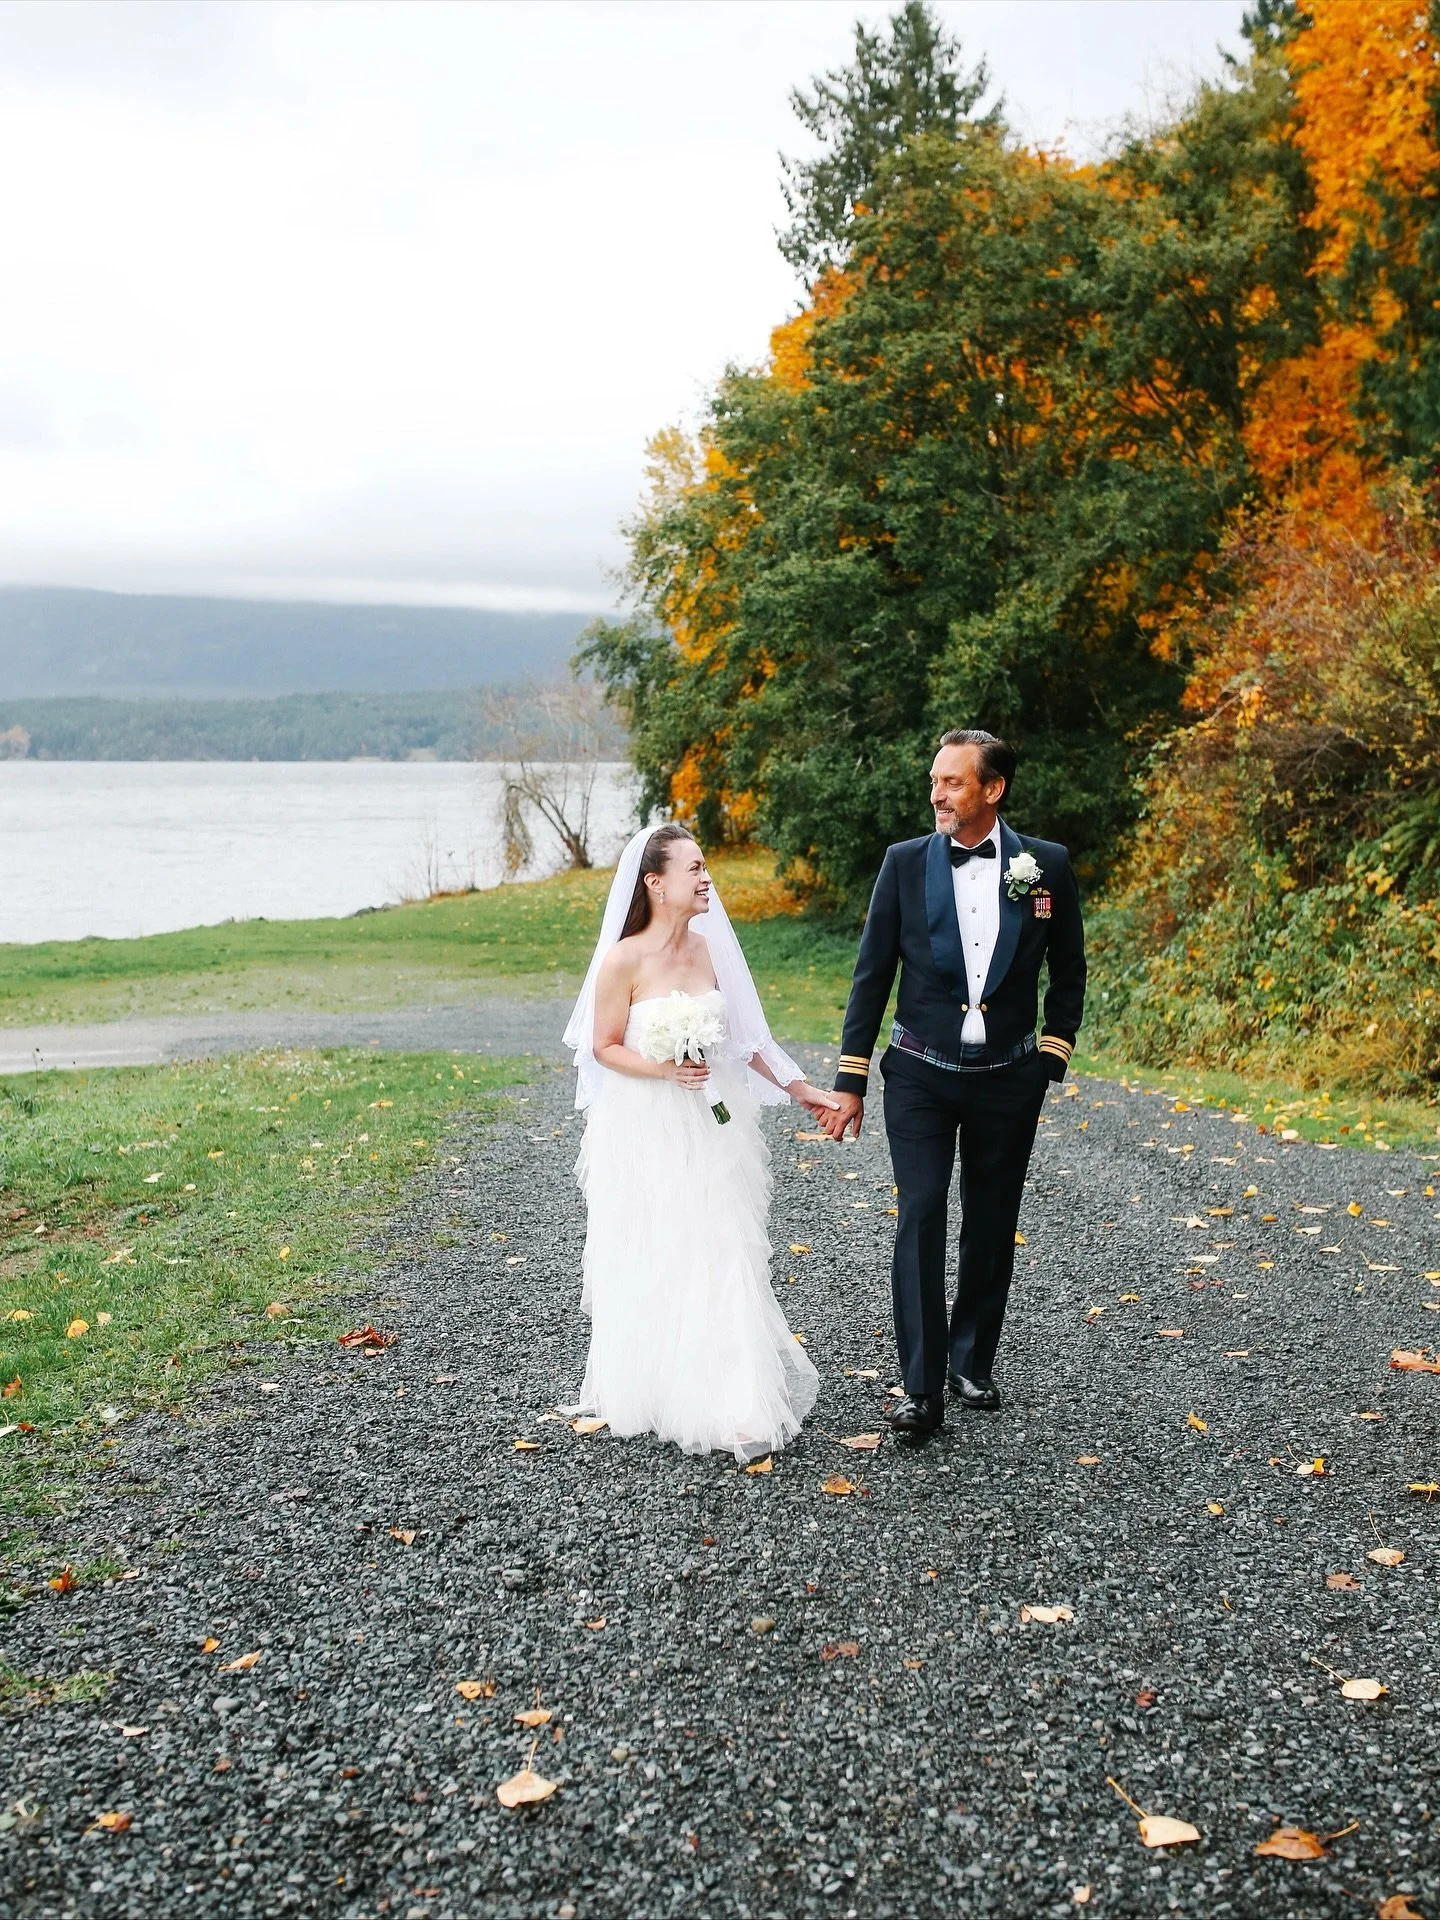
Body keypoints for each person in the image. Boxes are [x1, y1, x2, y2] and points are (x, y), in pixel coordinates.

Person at [818, 730, 1086, 1437]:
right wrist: (851, 1078)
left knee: (992, 1223)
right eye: (935, 781)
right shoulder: (903, 864)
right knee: (923, 1211)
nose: (937, 794)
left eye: (953, 783)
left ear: (992, 790)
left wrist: (1049, 1060)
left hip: (1008, 1079)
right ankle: (920, 1387)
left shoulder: (1042, 865)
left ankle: (971, 1359)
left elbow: (1070, 967)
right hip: (919, 1075)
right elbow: (871, 974)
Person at [563, 822, 838, 1461]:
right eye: (694, 869)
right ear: (655, 883)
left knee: (722, 1245)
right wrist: (663, 1068)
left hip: (716, 1124)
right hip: (645, 1125)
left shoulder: (711, 952)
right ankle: (663, 1387)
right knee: (660, 1247)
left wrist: (807, 1092)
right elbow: (603, 1047)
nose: (706, 877)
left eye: (706, 865)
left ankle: (736, 1399)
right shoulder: (623, 959)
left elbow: (749, 1041)